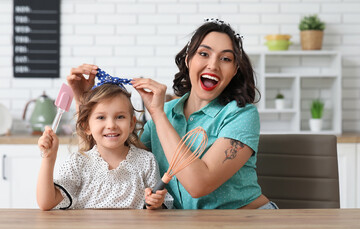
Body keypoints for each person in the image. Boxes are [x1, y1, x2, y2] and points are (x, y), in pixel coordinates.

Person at [67, 18, 277, 209]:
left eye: (226, 59)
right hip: (188, 227)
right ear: (188, 60)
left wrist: (157, 113)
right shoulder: (167, 112)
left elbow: (199, 184)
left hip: (248, 221)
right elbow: (112, 159)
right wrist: (83, 100)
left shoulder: (241, 115)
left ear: (235, 70)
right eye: (204, 54)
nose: (213, 65)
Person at [36, 82, 172, 210]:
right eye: (101, 117)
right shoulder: (78, 163)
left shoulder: (146, 161)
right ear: (86, 126)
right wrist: (49, 158)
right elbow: (46, 203)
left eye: (120, 117)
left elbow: (158, 205)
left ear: (131, 124)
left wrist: (155, 202)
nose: (111, 125)